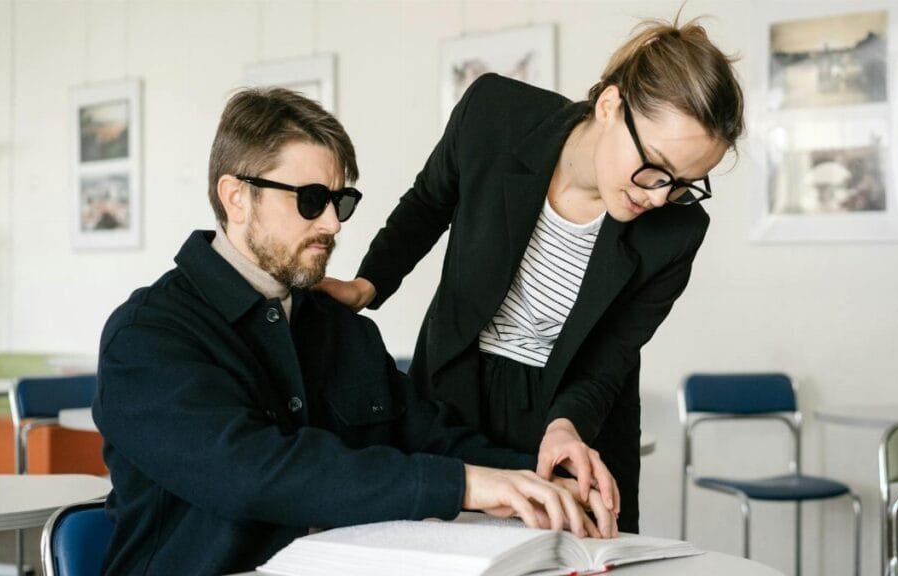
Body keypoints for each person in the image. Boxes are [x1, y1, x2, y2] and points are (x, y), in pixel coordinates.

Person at [93, 87, 617, 576]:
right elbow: (255, 471)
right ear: (235, 197)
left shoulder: (337, 326)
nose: (333, 225)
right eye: (310, 200)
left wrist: (544, 479)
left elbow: (432, 434)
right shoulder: (148, 337)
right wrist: (462, 486)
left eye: (340, 202)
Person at [316, 17, 745, 533]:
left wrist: (566, 427)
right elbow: (429, 202)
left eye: (683, 183)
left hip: (571, 415)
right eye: (655, 167)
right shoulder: (495, 114)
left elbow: (610, 356)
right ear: (609, 106)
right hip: (456, 385)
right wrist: (369, 284)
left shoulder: (677, 230)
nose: (658, 197)